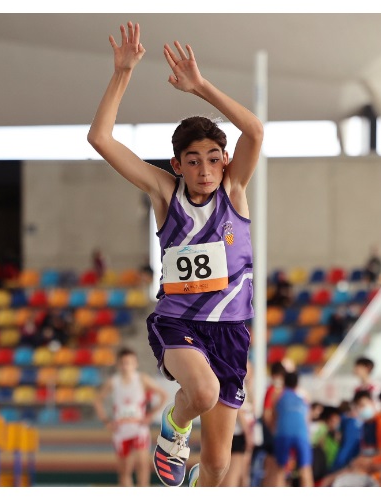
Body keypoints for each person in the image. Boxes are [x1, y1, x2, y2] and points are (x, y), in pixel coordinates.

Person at [87, 22, 264, 487]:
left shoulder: (235, 190)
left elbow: (254, 130)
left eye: (212, 157)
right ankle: (174, 426)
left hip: (231, 331)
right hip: (179, 321)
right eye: (193, 160)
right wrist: (123, 73)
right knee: (201, 392)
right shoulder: (166, 194)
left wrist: (201, 86)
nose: (204, 169)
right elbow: (100, 139)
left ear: (224, 160)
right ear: (176, 165)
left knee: (220, 465)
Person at [93, 348, 169, 487]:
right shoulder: (113, 382)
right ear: (118, 364)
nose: (126, 366)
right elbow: (97, 400)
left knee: (142, 465)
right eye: (123, 362)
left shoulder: (142, 379)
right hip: (121, 430)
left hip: (138, 428)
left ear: (135, 364)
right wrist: (106, 421)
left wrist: (150, 415)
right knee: (125, 470)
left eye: (129, 362)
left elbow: (163, 395)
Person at [266, 371, 314, 487]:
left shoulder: (277, 395)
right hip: (301, 434)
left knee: (280, 470)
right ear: (297, 383)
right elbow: (308, 418)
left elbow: (273, 416)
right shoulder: (304, 396)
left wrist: (274, 431)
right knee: (305, 469)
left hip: (283, 432)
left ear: (284, 382)